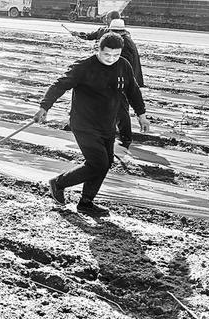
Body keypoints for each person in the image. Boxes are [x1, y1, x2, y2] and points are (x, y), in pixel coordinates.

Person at [34, 32, 149, 217]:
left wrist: (141, 115)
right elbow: (59, 85)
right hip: (84, 123)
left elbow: (133, 91)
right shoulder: (84, 67)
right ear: (99, 50)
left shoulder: (123, 66)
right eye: (107, 55)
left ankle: (86, 203)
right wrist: (44, 107)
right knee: (98, 163)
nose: (111, 59)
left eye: (116, 55)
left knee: (106, 163)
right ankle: (58, 183)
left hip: (107, 124)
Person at [71, 14, 144, 148]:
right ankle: (117, 134)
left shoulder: (123, 44)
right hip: (124, 80)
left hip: (123, 81)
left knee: (121, 109)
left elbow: (121, 64)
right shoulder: (124, 40)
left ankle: (125, 138)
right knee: (117, 108)